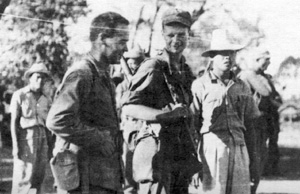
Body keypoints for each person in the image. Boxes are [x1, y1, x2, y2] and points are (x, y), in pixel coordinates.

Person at [46, 12, 129, 194]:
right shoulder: (82, 74)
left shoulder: (103, 75)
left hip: (101, 177)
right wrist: (98, 138)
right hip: (83, 180)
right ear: (102, 39)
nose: (126, 49)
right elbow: (57, 120)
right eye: (121, 42)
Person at [122, 8, 200, 194]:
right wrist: (164, 115)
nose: (176, 40)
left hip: (180, 153)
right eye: (170, 35)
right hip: (157, 151)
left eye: (181, 35)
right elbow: (129, 107)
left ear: (189, 35)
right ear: (162, 35)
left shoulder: (185, 70)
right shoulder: (153, 66)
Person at [191, 29, 260, 194]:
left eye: (231, 52)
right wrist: (193, 163)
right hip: (212, 148)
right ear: (212, 57)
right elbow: (192, 126)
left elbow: (250, 125)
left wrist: (254, 159)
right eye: (222, 53)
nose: (227, 57)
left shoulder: (242, 86)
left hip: (239, 147)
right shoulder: (200, 85)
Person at [239, 48, 282, 177]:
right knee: (254, 152)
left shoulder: (263, 76)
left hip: (266, 119)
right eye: (265, 60)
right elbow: (265, 92)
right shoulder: (247, 75)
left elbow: (275, 96)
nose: (268, 63)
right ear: (256, 60)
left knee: (263, 151)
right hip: (252, 121)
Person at [10, 62, 51, 194]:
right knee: (24, 176)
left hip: (42, 137)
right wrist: (16, 146)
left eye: (43, 78)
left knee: (39, 177)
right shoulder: (20, 95)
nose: (40, 80)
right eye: (37, 77)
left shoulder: (46, 99)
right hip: (26, 138)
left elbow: (49, 124)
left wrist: (50, 145)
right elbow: (14, 122)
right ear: (30, 78)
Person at [115, 47, 146, 194]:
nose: (133, 66)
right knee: (128, 167)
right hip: (127, 131)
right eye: (131, 63)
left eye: (137, 63)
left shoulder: (147, 83)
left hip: (144, 131)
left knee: (144, 169)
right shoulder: (122, 86)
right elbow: (118, 108)